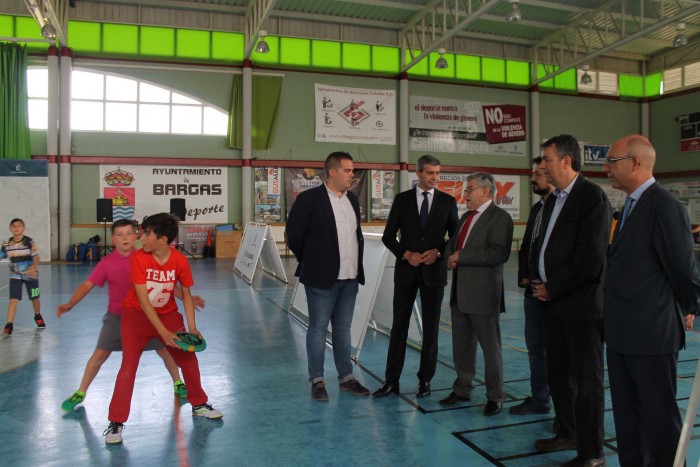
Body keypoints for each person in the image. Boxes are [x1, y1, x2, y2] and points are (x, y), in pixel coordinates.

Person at [603, 135, 700, 466]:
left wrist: (690, 306)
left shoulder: (664, 206)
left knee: (659, 421)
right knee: (627, 421)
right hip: (620, 333)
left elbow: (683, 271)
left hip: (651, 335)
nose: (606, 169)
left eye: (612, 161)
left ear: (636, 162)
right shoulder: (627, 207)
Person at [56, 219, 205, 412]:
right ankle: (81, 391)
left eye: (129, 233)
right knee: (100, 355)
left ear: (136, 236)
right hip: (118, 317)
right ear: (113, 239)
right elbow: (87, 285)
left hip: (151, 317)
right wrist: (71, 303)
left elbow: (164, 283)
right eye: (120, 234)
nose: (125, 238)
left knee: (166, 349)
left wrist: (188, 298)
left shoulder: (148, 254)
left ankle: (177, 382)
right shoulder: (107, 263)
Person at [103, 213, 222, 445]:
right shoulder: (138, 259)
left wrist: (192, 327)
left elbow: (186, 293)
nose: (140, 237)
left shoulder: (179, 260)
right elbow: (144, 301)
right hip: (136, 316)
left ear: (162, 239)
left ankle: (198, 404)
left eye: (146, 233)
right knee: (128, 367)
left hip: (168, 315)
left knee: (188, 360)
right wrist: (164, 334)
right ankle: (115, 422)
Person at [531, 134, 610, 467]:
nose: (542, 166)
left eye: (546, 159)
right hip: (553, 304)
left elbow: (591, 257)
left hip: (580, 307)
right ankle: (567, 430)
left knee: (587, 380)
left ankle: (592, 452)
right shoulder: (553, 200)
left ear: (566, 160)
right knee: (558, 372)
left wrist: (554, 286)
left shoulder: (591, 198)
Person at [285, 151, 369, 401]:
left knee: (343, 329)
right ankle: (318, 380)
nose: (352, 175)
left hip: (350, 277)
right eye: (347, 170)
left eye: (353, 170)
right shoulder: (310, 199)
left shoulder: (352, 200)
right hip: (321, 279)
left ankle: (346, 377)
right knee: (318, 328)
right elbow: (294, 235)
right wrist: (311, 262)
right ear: (332, 172)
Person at [373, 155, 458, 398]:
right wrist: (405, 253)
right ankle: (391, 380)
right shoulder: (402, 200)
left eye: (438, 174)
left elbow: (455, 237)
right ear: (418, 173)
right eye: (430, 173)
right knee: (398, 327)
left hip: (434, 273)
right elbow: (388, 236)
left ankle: (425, 380)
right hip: (406, 273)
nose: (435, 178)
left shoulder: (447, 201)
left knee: (431, 330)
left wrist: (439, 251)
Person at [441, 172, 513, 416]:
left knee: (490, 349)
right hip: (460, 294)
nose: (466, 194)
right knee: (462, 346)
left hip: (484, 295)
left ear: (485, 192)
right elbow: (453, 243)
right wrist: (450, 256)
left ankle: (495, 396)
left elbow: (498, 253)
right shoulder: (465, 217)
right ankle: (462, 388)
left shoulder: (500, 218)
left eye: (470, 189)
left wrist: (462, 256)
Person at [510, 157, 554, 415]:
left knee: (554, 353)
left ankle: (561, 404)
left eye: (538, 173)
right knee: (535, 350)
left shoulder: (559, 209)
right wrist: (524, 274)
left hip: (552, 294)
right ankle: (540, 398)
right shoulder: (538, 208)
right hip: (533, 291)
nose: (533, 178)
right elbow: (529, 244)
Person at [0, 218, 45, 335]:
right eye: (13, 226)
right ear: (10, 229)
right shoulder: (6, 244)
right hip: (15, 275)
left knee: (35, 298)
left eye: (19, 226)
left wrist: (33, 267)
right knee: (13, 300)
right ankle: (9, 324)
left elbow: (36, 257)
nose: (16, 228)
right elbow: (1, 255)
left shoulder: (29, 242)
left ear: (23, 228)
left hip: (31, 276)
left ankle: (37, 315)